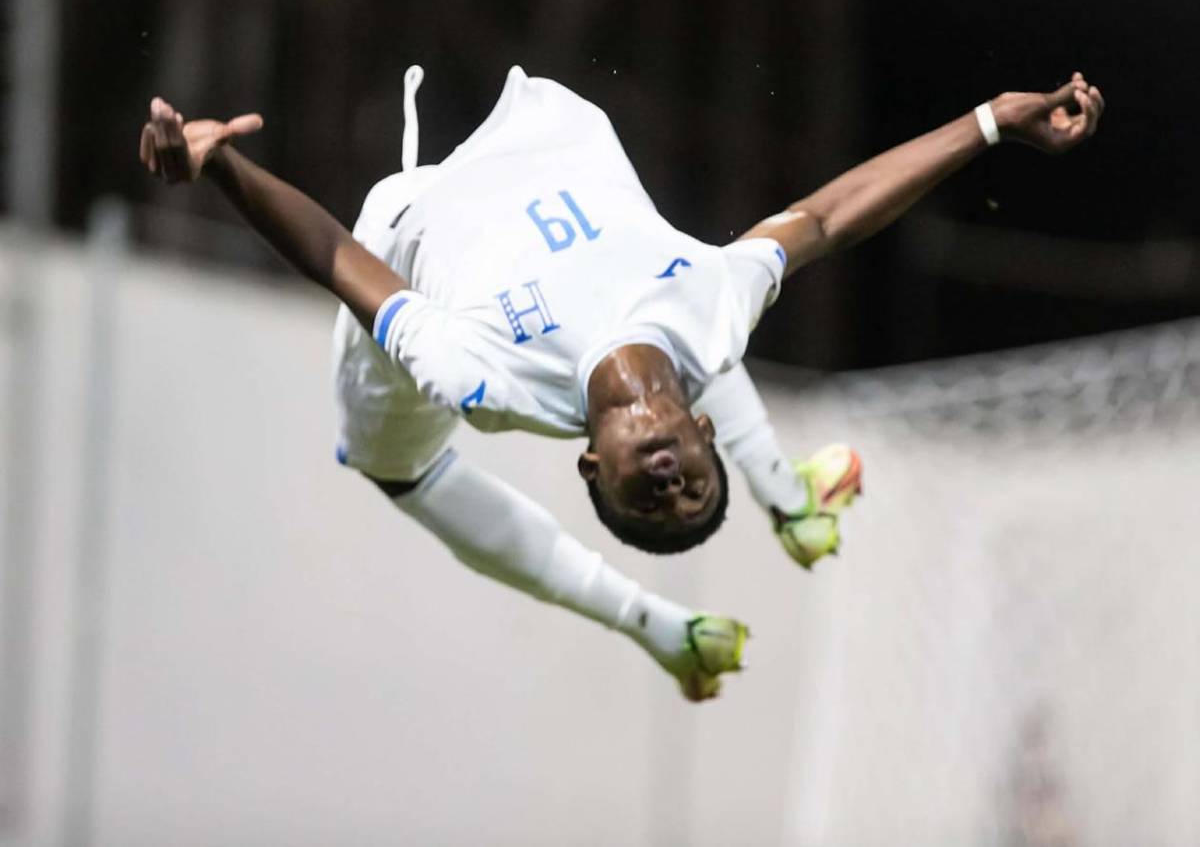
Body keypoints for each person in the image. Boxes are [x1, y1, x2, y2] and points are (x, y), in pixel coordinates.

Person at [138, 66, 1103, 699]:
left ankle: (655, 622)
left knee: (393, 467)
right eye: (696, 487)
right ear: (701, 436)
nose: (675, 486)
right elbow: (832, 214)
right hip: (545, 121)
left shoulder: (482, 379)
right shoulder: (710, 317)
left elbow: (338, 252)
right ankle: (787, 495)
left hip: (409, 225)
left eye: (654, 501)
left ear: (594, 469)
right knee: (709, 333)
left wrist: (220, 167)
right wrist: (989, 124)